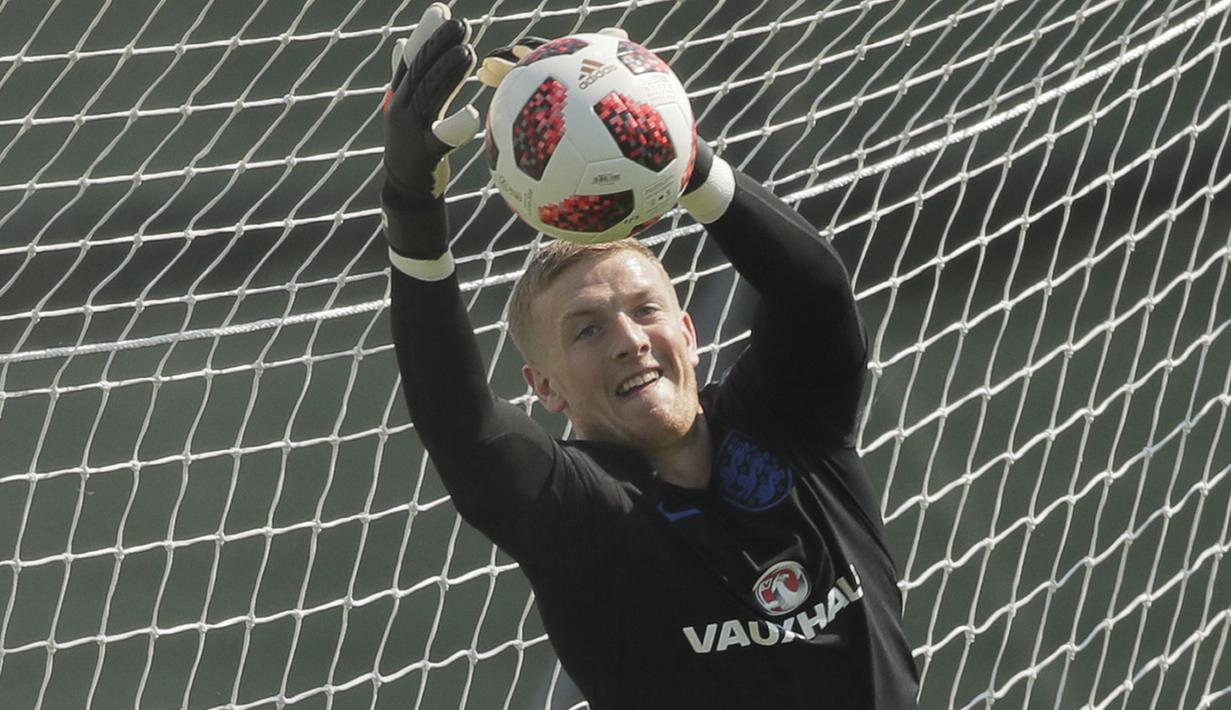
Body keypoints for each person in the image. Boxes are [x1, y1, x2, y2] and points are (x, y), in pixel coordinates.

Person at [380, 5, 920, 707]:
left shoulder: (791, 425)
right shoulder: (583, 513)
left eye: (644, 311)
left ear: (688, 333)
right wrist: (410, 207)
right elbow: (463, 427)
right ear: (543, 388)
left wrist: (677, 154)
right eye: (586, 330)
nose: (630, 339)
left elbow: (815, 296)